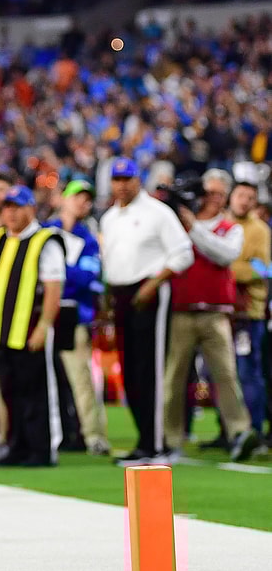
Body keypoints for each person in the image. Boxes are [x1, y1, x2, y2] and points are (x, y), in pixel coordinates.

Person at [99, 158, 194, 466]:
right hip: (122, 293)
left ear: (138, 180)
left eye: (127, 179)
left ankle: (156, 447)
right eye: (117, 179)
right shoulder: (110, 217)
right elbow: (111, 261)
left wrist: (153, 284)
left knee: (149, 369)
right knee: (129, 373)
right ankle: (144, 442)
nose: (122, 185)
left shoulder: (157, 212)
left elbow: (183, 253)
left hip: (149, 290)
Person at [162, 170, 258, 462]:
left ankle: (239, 431)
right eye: (209, 192)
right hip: (181, 310)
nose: (212, 198)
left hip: (216, 313)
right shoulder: (177, 226)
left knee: (226, 375)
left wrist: (193, 228)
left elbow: (224, 255)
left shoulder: (231, 228)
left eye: (218, 193)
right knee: (174, 378)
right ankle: (170, 437)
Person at [0, 186, 66, 467]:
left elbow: (54, 288)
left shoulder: (45, 240)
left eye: (16, 207)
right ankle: (15, 446)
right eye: (6, 208)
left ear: (31, 209)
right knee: (8, 392)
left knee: (36, 393)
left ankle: (41, 450)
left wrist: (44, 326)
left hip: (28, 331)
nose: (10, 213)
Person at [46, 180, 108, 455]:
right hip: (43, 312)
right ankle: (51, 434)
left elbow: (88, 278)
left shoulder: (89, 239)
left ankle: (93, 435)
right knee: (43, 378)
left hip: (75, 314)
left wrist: (56, 271)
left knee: (80, 378)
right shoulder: (46, 232)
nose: (83, 203)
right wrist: (68, 272)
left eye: (87, 199)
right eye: (77, 197)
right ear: (62, 199)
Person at [228, 180, 271, 444]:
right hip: (222, 311)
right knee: (223, 374)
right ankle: (229, 430)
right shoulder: (221, 224)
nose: (244, 201)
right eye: (240, 195)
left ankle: (253, 429)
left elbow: (259, 269)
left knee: (248, 372)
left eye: (250, 197)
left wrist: (222, 268)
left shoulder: (260, 231)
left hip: (248, 313)